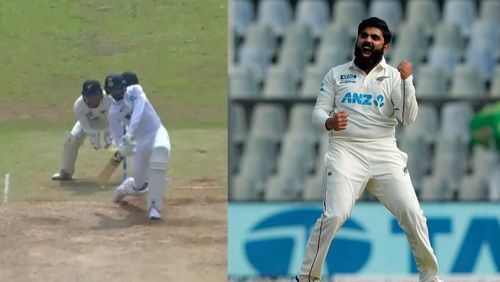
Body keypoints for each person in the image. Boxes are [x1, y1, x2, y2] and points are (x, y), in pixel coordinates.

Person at [295, 18, 442, 282]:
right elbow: (318, 110)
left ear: (385, 46)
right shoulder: (337, 74)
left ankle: (430, 278)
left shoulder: (395, 77)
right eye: (364, 36)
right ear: (357, 40)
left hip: (384, 151)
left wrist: (408, 81)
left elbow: (408, 117)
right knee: (334, 215)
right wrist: (328, 121)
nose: (368, 41)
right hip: (345, 151)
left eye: (375, 38)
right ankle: (306, 278)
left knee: (412, 214)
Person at [105, 72, 171, 220]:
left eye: (117, 90)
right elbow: (118, 138)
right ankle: (124, 188)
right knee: (139, 185)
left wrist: (130, 134)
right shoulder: (113, 113)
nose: (115, 94)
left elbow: (138, 112)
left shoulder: (135, 90)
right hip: (140, 141)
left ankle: (154, 207)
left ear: (123, 87)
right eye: (112, 92)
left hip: (156, 132)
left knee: (159, 160)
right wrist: (124, 146)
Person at [52, 80, 113, 181]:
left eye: (94, 96)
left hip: (109, 121)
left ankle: (139, 172)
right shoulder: (79, 105)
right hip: (89, 122)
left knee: (127, 139)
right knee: (71, 140)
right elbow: (85, 125)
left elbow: (115, 118)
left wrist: (110, 133)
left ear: (100, 94)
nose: (92, 99)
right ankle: (66, 172)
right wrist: (93, 136)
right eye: (89, 96)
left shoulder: (109, 100)